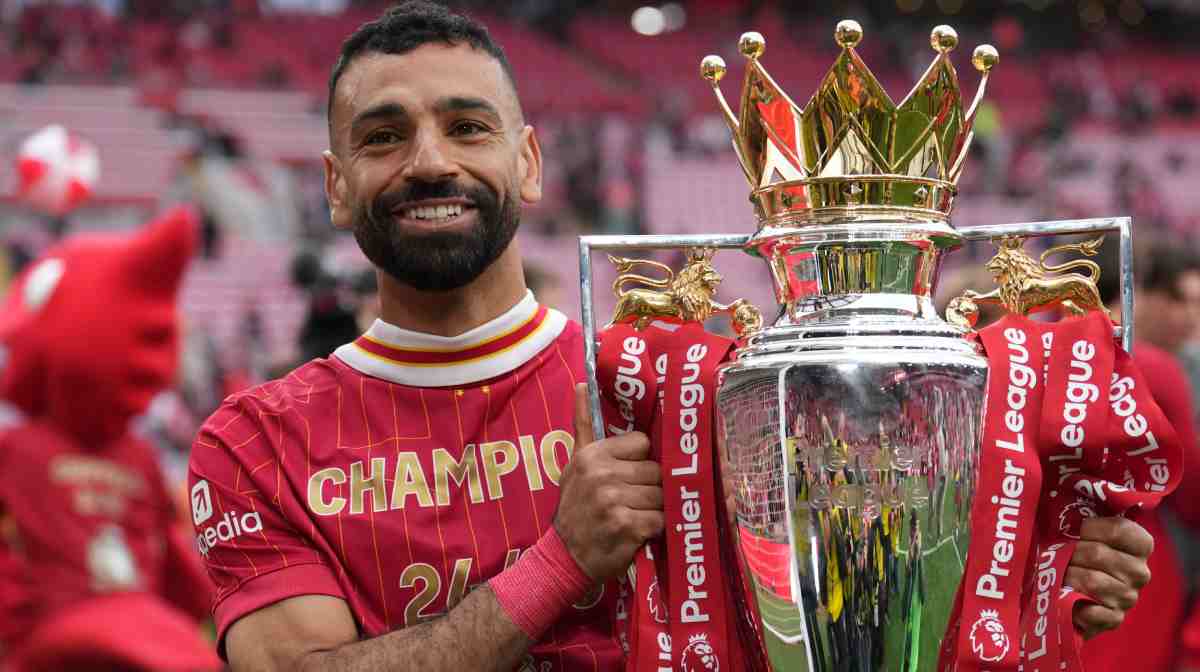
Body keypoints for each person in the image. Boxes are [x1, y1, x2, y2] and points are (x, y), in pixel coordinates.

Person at [188, 4, 1158, 671]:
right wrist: (560, 565)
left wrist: (1033, 564)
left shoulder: (685, 388)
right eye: (384, 135)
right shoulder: (255, 442)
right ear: (333, 182)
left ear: (527, 163)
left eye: (467, 127)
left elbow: (832, 619)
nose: (429, 160)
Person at [0, 207, 221, 671]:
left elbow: (177, 568)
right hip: (66, 633)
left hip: (130, 629)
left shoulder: (139, 456)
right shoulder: (17, 447)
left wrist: (214, 603)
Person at [1083, 241, 1200, 672]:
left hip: (1051, 562)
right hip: (1136, 564)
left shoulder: (1034, 354)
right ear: (1139, 290)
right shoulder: (1156, 367)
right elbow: (1191, 495)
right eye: (1180, 300)